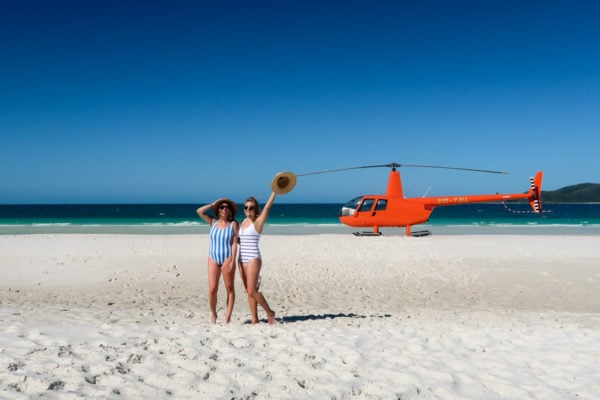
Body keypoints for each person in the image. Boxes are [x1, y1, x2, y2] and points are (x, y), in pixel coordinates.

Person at [197, 198, 239, 324]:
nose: (224, 209)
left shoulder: (233, 224)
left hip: (227, 258)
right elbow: (199, 211)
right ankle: (213, 313)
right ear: (218, 210)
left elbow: (234, 243)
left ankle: (227, 317)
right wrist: (212, 204)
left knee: (230, 288)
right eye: (221, 207)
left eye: (227, 207)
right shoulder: (213, 222)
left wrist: (233, 260)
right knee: (212, 289)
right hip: (213, 257)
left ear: (230, 210)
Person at [238, 192, 277, 324]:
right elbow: (240, 241)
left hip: (253, 258)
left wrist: (275, 191)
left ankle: (269, 312)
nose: (248, 210)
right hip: (241, 259)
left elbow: (267, 208)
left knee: (252, 290)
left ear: (255, 209)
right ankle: (255, 319)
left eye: (251, 207)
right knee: (248, 291)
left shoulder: (258, 221)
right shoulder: (242, 222)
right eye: (246, 207)